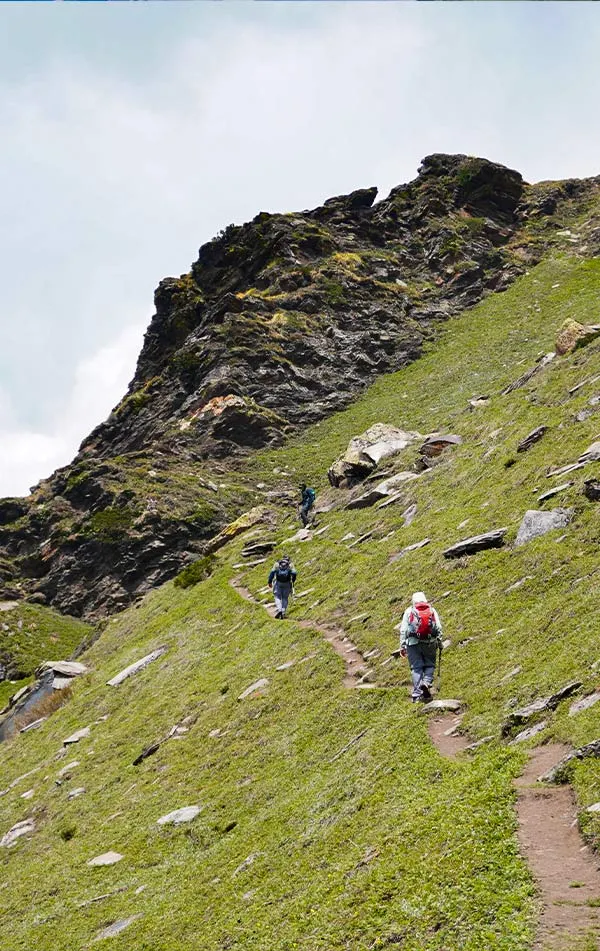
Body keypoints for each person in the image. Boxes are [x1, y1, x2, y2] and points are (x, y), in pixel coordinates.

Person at [398, 591, 443, 702]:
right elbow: (438, 627)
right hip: (430, 642)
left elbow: (403, 630)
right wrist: (439, 641)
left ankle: (417, 695)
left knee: (416, 668)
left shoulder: (409, 611)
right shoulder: (431, 610)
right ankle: (426, 683)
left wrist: (402, 645)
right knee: (430, 664)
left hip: (413, 643)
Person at [268, 554, 297, 619]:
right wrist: (293, 580)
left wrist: (270, 582)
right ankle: (283, 612)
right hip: (287, 583)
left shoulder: (277, 564)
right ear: (288, 559)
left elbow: (272, 572)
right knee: (285, 598)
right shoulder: (290, 565)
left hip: (278, 583)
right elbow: (294, 573)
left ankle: (279, 610)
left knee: (277, 597)